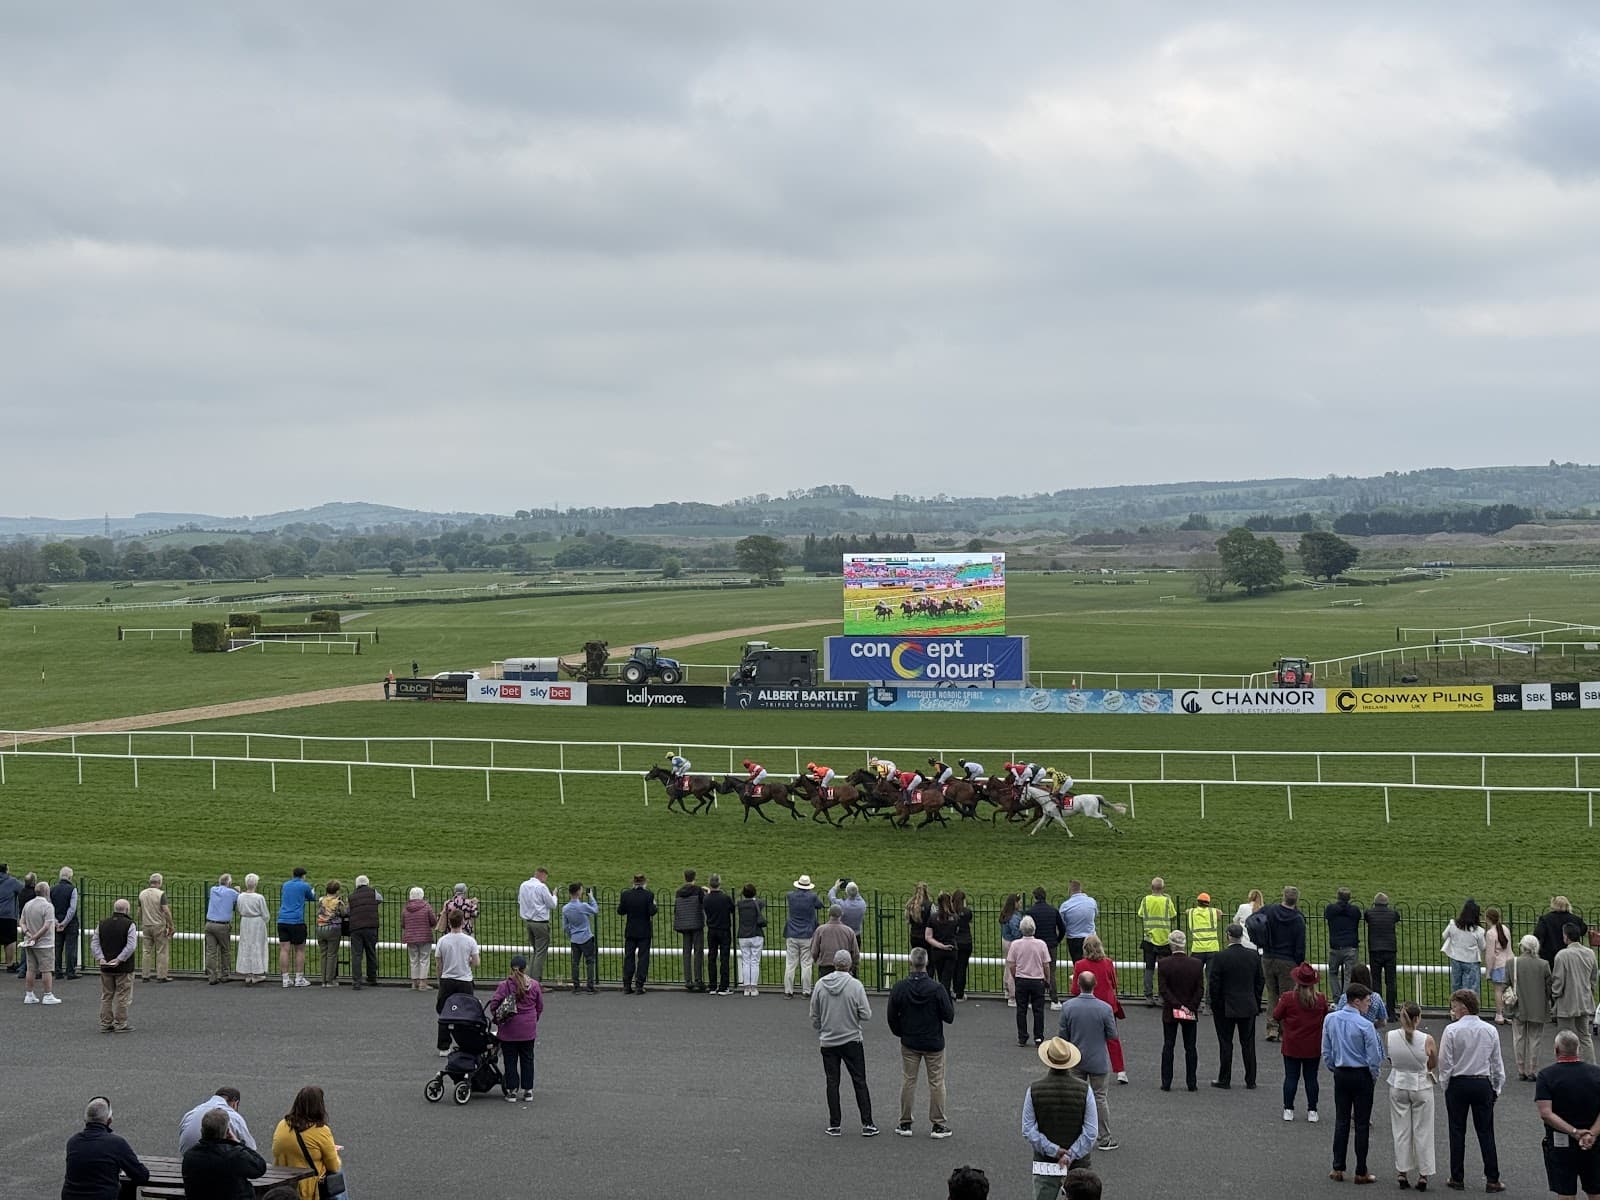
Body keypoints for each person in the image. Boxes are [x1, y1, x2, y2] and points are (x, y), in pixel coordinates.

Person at [1438, 987, 1507, 1192]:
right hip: (1481, 1082)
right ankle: (1492, 1178)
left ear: (1463, 1008)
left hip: (1458, 1083)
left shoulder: (1451, 1030)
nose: (1453, 1011)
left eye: (1454, 1008)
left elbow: (1445, 1062)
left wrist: (1446, 1084)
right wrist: (1496, 1087)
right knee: (1486, 1132)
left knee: (1457, 1131)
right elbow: (1496, 1062)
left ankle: (1457, 1177)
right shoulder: (1489, 1030)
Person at [887, 946, 955, 1139]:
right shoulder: (936, 989)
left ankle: (905, 1122)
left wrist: (901, 1033)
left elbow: (891, 1016)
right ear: (926, 964)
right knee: (937, 1082)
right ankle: (938, 1124)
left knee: (909, 1080)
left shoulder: (900, 987)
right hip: (933, 1041)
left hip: (909, 1041)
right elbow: (949, 1016)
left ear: (911, 963)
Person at [1323, 983, 1385, 1184]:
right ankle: (1361, 1170)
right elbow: (1373, 1058)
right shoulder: (1365, 1025)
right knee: (1361, 1124)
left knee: (1341, 1121)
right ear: (1356, 1001)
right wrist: (1372, 1076)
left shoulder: (1330, 1019)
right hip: (1361, 1075)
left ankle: (1338, 1167)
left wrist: (1334, 1067)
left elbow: (1327, 1050)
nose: (1369, 1005)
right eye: (1367, 1001)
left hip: (1341, 1073)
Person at [811, 948, 877, 1137]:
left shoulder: (821, 984)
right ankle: (868, 1123)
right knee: (859, 1081)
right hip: (851, 1039)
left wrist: (821, 1028)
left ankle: (834, 1124)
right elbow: (866, 1014)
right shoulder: (855, 985)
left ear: (834, 964)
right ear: (849, 965)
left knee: (832, 1082)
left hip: (828, 1040)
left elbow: (814, 1014)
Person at [1023, 1038, 1099, 1200]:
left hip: (1045, 1162)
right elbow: (1091, 1132)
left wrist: (1054, 1150)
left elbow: (1028, 1129)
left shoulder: (1034, 1089)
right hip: (1079, 1166)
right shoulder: (1085, 1090)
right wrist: (1070, 1154)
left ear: (1048, 1060)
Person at [1535, 1029, 1600, 1200]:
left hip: (1560, 1142)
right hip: (1594, 1142)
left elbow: (1546, 1113)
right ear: (1578, 1049)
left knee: (1566, 1192)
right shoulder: (1597, 1073)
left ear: (1556, 1050)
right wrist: (1591, 1133)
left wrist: (1574, 1132)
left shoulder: (1546, 1076)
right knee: (1595, 1191)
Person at [1060, 970, 1119, 1152]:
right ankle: (1105, 1138)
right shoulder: (1105, 1008)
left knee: (1076, 1098)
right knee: (1100, 1098)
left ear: (1078, 985)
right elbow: (1112, 1034)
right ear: (1095, 985)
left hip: (1076, 1059)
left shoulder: (1068, 1007)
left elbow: (1063, 1035)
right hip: (1098, 1060)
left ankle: (1074, 1135)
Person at [1387, 1000, 1438, 1191]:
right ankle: (1423, 1174)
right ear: (1418, 1018)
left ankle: (1402, 1171)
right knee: (1423, 1130)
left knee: (1401, 1130)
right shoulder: (1427, 1039)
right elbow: (1432, 1063)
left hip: (1398, 1084)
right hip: (1421, 1085)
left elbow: (1392, 1059)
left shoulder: (1390, 1036)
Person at [1209, 922, 1265, 1090]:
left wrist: (1216, 1005)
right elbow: (1259, 981)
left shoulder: (1220, 957)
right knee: (1248, 1044)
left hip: (1226, 1007)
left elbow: (1214, 984)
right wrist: (1255, 1000)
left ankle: (1224, 1079)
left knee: (1226, 1044)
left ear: (1228, 935)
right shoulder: (1253, 956)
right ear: (1241, 936)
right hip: (1248, 1005)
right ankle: (1251, 1080)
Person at [1274, 961, 1330, 1122]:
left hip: (1292, 1044)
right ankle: (1312, 1110)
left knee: (1291, 1077)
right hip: (1312, 1046)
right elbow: (1325, 1016)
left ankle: (1288, 1108)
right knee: (1311, 1078)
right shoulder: (1320, 999)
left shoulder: (1287, 998)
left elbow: (1276, 1015)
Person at [62, 1096, 148, 1199]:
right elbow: (142, 1176)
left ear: (85, 1119)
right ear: (109, 1120)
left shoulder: (73, 1142)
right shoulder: (116, 1143)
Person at [1071, 935, 1129, 1085]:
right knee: (1113, 1038)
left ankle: (1079, 1066)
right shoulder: (1108, 963)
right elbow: (1115, 984)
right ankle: (1120, 1070)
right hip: (1107, 1005)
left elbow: (1075, 990)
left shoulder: (1079, 965)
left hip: (1087, 1007)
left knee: (1083, 1037)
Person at [271, 1086, 343, 1200]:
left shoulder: (282, 1124)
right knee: (338, 1174)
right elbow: (333, 1166)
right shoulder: (321, 1130)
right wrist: (333, 1151)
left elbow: (276, 1152)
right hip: (307, 1187)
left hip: (282, 1183)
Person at [182, 1105, 268, 1199]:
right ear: (227, 1132)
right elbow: (260, 1167)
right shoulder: (233, 1155)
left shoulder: (189, 1156)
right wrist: (238, 1143)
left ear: (202, 1130)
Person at [490, 954, 544, 1101]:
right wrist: (533, 1019)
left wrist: (498, 1018)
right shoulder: (534, 985)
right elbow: (539, 1006)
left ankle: (512, 1090)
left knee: (510, 1060)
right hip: (528, 1028)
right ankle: (528, 1091)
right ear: (525, 968)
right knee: (527, 1059)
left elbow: (494, 1005)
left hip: (509, 1029)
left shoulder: (504, 986)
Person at [1157, 929, 1204, 1092]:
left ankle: (1166, 1082)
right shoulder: (1196, 964)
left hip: (1171, 1010)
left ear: (1171, 944)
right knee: (1190, 1047)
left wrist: (1177, 1005)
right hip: (1190, 1009)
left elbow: (1163, 990)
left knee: (1168, 1045)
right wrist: (1189, 1007)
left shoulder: (1163, 964)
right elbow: (1200, 990)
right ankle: (1192, 1082)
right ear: (1185, 944)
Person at [1261, 887, 1308, 1042]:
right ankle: (1283, 1030)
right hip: (1288, 960)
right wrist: (1299, 962)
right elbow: (1300, 946)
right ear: (1297, 900)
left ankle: (1271, 1027)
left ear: (1283, 896)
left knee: (1272, 993)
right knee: (1286, 996)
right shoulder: (1298, 919)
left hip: (1268, 957)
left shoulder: (1270, 911)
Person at [434, 908, 480, 1054]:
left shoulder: (442, 941)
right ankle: (466, 1043)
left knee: (444, 1013)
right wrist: (468, 961)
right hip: (464, 980)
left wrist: (439, 979)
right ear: (462, 922)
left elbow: (438, 964)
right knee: (466, 1013)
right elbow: (476, 962)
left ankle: (443, 1046)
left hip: (447, 980)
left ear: (449, 921)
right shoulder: (470, 941)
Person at [1553, 922, 1599, 1064]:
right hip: (1584, 999)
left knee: (1563, 1037)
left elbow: (1558, 980)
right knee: (1585, 1036)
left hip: (1567, 1001)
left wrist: (1555, 994)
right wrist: (1589, 989)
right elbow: (1593, 976)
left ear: (1566, 937)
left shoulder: (1562, 955)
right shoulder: (1590, 953)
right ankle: (1592, 1066)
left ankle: (1565, 1064)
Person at [91, 898, 138, 1032]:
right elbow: (131, 945)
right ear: (127, 910)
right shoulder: (130, 924)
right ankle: (120, 1023)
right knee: (123, 996)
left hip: (105, 965)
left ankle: (106, 1023)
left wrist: (100, 958)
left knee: (107, 995)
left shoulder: (102, 923)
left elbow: (94, 943)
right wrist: (119, 959)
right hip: (124, 967)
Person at [1513, 933, 1555, 1081]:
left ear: (1522, 946)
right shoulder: (1543, 964)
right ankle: (1532, 1070)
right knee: (1535, 1038)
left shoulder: (1512, 963)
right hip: (1538, 1006)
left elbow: (1506, 984)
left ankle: (1520, 1069)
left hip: (1519, 1006)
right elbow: (1549, 987)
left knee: (1519, 1037)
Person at [1008, 916, 1051, 1046]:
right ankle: (1038, 1037)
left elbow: (1011, 964)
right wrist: (1047, 978)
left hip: (1022, 979)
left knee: (1021, 1009)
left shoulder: (1015, 944)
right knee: (1038, 1010)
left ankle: (1022, 1036)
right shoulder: (1041, 944)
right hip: (1037, 979)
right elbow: (1046, 965)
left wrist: (1016, 977)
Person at [1137, 877, 1178, 1005]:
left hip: (1149, 939)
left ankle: (1148, 996)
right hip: (1164, 940)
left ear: (1151, 887)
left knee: (1149, 969)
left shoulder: (1146, 900)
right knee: (1163, 970)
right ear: (1163, 888)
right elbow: (1173, 915)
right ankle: (1162, 995)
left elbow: (1140, 914)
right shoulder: (1167, 901)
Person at [178, 1087, 256, 1153]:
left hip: (189, 1160)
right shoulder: (234, 1117)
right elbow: (251, 1149)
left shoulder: (191, 1113)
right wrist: (236, 1142)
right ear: (235, 1103)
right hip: (216, 1164)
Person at [784, 874, 825, 998]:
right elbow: (820, 905)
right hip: (807, 934)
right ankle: (806, 991)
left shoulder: (791, 896)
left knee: (790, 964)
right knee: (806, 964)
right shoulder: (812, 897)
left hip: (792, 933)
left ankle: (788, 991)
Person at [1025, 887, 1067, 1006]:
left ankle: (1033, 1000)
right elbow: (1062, 929)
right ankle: (1054, 1000)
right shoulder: (1053, 911)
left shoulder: (1031, 912)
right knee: (1051, 972)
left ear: (1034, 897)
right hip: (1051, 945)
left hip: (1035, 945)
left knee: (1034, 971)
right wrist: (1056, 940)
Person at [617, 872, 657, 995]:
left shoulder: (626, 895)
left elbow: (620, 911)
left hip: (630, 930)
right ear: (644, 883)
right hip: (644, 930)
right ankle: (639, 985)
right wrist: (654, 905)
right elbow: (652, 912)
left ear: (633, 882)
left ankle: (627, 985)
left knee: (629, 957)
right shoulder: (649, 895)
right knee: (643, 958)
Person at [20, 880, 60, 1004]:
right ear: (47, 891)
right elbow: (47, 926)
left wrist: (28, 934)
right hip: (45, 943)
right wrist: (36, 937)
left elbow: (22, 922)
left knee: (31, 969)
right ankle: (47, 994)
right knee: (46, 969)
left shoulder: (28, 904)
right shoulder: (48, 906)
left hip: (29, 941)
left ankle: (29, 994)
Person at [276, 867, 316, 988]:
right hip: (297, 920)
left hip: (282, 919)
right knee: (299, 949)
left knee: (284, 949)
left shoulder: (285, 885)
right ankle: (299, 978)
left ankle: (285, 979)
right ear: (303, 876)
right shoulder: (304, 886)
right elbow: (312, 898)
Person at [518, 866, 558, 985]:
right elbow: (552, 904)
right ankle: (535, 983)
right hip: (540, 923)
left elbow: (520, 901)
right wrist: (554, 895)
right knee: (540, 953)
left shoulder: (523, 885)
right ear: (543, 875)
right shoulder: (541, 887)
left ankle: (528, 980)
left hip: (529, 922)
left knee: (536, 952)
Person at [1364, 892, 1402, 1014]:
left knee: (1376, 981)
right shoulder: (1393, 914)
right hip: (1390, 950)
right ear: (1387, 903)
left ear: (1375, 903)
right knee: (1391, 981)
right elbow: (1397, 917)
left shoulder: (1369, 913)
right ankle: (1391, 1011)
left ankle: (1377, 1011)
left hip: (1374, 950)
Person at [1324, 887, 1363, 998]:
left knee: (1332, 972)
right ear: (1349, 898)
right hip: (1350, 946)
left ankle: (1336, 997)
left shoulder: (1331, 909)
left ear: (1337, 896)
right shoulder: (1354, 910)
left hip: (1335, 946)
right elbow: (1358, 917)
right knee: (1349, 975)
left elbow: (1327, 915)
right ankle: (1345, 999)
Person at [1443, 898, 1487, 996]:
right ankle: (1470, 1009)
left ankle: (1456, 1008)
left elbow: (1444, 936)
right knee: (1471, 989)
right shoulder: (1478, 931)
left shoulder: (1453, 924)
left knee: (1456, 987)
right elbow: (1483, 946)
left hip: (1456, 959)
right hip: (1471, 962)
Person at [673, 868, 707, 993]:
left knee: (686, 952)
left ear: (684, 877)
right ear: (694, 877)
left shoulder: (678, 892)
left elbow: (677, 908)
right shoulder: (698, 890)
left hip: (684, 924)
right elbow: (705, 904)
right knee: (698, 952)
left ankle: (688, 980)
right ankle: (698, 979)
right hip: (696, 924)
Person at [1186, 892, 1222, 1009]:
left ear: (1197, 902)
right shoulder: (1213, 912)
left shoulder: (1191, 912)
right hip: (1212, 949)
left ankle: (1194, 1002)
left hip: (1197, 949)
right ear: (1208, 903)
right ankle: (1208, 1004)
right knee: (1210, 978)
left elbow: (1186, 911)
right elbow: (1220, 914)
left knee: (1194, 977)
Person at [201, 873, 239, 987]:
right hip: (222, 926)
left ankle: (212, 976)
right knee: (225, 951)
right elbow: (239, 899)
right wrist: (238, 890)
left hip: (209, 924)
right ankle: (225, 975)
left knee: (211, 952)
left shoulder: (213, 890)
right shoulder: (232, 893)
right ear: (229, 882)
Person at [562, 883, 599, 994]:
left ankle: (576, 987)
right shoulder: (582, 906)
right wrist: (591, 896)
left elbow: (565, 926)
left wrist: (571, 935)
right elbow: (595, 909)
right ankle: (590, 987)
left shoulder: (565, 908)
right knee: (590, 962)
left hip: (574, 939)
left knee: (575, 963)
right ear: (578, 892)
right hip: (586, 937)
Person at [345, 876, 380, 990]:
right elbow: (380, 899)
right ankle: (372, 977)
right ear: (368, 883)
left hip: (356, 928)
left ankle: (356, 981)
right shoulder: (374, 893)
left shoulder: (351, 896)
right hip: (371, 926)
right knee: (371, 952)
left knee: (356, 955)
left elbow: (347, 911)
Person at [137, 872, 173, 984]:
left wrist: (142, 921)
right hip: (158, 925)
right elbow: (166, 911)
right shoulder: (161, 894)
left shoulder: (142, 894)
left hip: (146, 925)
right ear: (159, 882)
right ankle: (162, 975)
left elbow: (139, 912)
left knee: (146, 951)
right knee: (162, 950)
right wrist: (171, 925)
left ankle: (145, 975)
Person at [234, 875, 270, 986]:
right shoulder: (259, 897)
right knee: (257, 945)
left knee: (246, 945)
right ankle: (257, 973)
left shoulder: (240, 896)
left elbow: (238, 909)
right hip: (257, 922)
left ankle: (248, 974)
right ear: (256, 884)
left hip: (245, 922)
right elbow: (265, 914)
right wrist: (265, 919)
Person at [703, 874, 735, 995]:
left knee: (712, 957)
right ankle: (723, 986)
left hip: (712, 930)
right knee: (724, 958)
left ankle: (712, 986)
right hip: (724, 929)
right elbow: (732, 909)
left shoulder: (706, 898)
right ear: (719, 883)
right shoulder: (725, 898)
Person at [401, 887, 437, 990]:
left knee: (413, 960)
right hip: (425, 936)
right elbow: (433, 921)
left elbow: (403, 924)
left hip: (410, 937)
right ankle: (422, 983)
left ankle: (414, 982)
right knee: (424, 959)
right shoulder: (426, 906)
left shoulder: (406, 908)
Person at [813, 903, 861, 979]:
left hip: (825, 966)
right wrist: (852, 966)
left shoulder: (820, 930)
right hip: (843, 968)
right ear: (841, 915)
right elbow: (855, 953)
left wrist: (818, 960)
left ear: (829, 914)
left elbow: (814, 951)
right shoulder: (849, 931)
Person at [314, 879, 347, 988]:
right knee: (332, 954)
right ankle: (330, 980)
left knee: (323, 954)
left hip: (320, 928)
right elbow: (344, 913)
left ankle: (323, 980)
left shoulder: (321, 900)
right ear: (337, 891)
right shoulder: (338, 901)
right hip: (333, 929)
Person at [1335, 963, 1390, 1028]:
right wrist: (1371, 1026)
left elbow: (1337, 1017)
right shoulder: (1376, 997)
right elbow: (1383, 1021)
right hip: (1369, 1033)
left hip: (1349, 1033)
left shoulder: (1345, 997)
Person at [736, 883, 767, 997]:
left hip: (743, 935)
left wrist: (741, 894)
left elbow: (736, 901)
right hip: (756, 934)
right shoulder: (758, 903)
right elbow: (764, 902)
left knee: (746, 962)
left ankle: (746, 987)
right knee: (754, 961)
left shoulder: (740, 904)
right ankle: (753, 987)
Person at [1539, 898, 1589, 968]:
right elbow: (1583, 930)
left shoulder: (1545, 919)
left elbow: (1538, 935)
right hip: (1571, 955)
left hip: (1550, 956)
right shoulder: (1575, 919)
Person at [924, 892, 958, 990]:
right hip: (951, 949)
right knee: (947, 979)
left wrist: (940, 945)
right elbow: (956, 932)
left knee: (941, 977)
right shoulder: (955, 918)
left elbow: (928, 936)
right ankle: (945, 1000)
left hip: (937, 951)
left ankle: (941, 998)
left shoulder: (933, 918)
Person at [51, 866, 80, 980]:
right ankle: (70, 972)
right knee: (70, 948)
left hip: (56, 922)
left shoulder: (52, 889)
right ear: (70, 877)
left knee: (57, 948)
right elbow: (72, 909)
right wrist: (65, 922)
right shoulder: (72, 889)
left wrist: (56, 922)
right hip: (70, 923)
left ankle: (57, 971)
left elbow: (50, 906)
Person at [1059, 881, 1097, 965]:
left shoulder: (1065, 906)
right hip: (1090, 937)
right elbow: (1095, 914)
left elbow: (1061, 923)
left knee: (1078, 965)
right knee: (1092, 964)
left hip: (1074, 939)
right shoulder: (1091, 901)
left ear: (1070, 890)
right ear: (1081, 889)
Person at [951, 889, 975, 1001]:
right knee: (962, 968)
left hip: (954, 942)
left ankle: (955, 990)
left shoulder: (951, 912)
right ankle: (960, 993)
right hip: (966, 942)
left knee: (954, 967)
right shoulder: (967, 912)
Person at [1000, 894, 1023, 1008]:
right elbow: (1016, 934)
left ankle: (1006, 990)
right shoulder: (1014, 918)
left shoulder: (1006, 914)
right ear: (1015, 903)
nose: (1020, 904)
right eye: (1019, 902)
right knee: (1013, 969)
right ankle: (1012, 996)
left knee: (1008, 967)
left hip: (1006, 941)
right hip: (1012, 943)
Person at [0, 861, 24, 971]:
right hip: (8, 915)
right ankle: (9, 964)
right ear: (7, 870)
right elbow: (22, 890)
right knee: (9, 940)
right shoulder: (12, 881)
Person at [907, 882, 933, 960]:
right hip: (926, 937)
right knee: (928, 961)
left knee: (916, 960)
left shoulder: (910, 905)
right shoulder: (930, 905)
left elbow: (908, 919)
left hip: (914, 936)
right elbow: (933, 920)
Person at [1235, 887, 1265, 952]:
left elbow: (1235, 920)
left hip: (1244, 943)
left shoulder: (1243, 907)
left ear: (1250, 897)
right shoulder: (1263, 909)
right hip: (1259, 946)